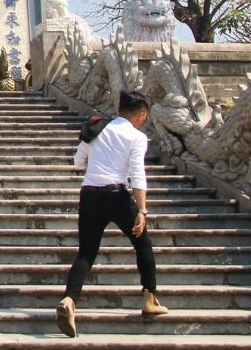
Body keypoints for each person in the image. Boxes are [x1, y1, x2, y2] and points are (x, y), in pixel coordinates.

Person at [56, 90, 168, 338]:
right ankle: (150, 299)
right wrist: (142, 210)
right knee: (143, 243)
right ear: (141, 115)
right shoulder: (137, 137)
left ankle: (69, 300)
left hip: (89, 194)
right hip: (116, 195)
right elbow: (137, 174)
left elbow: (77, 162)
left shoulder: (97, 128)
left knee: (86, 252)